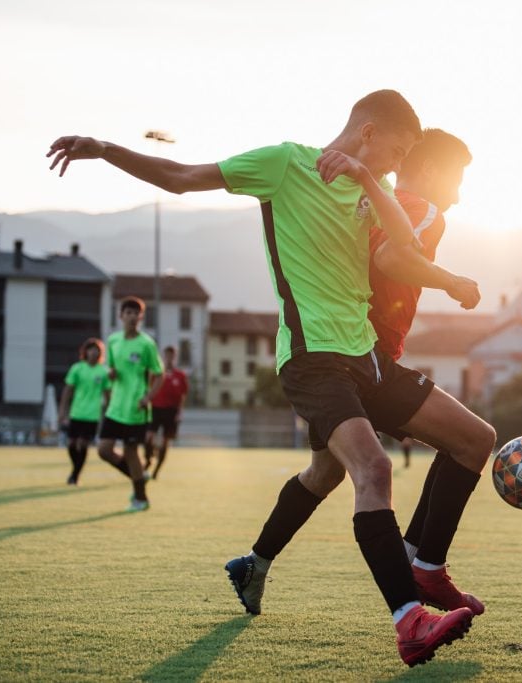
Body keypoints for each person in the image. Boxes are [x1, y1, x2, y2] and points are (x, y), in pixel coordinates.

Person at [48, 91, 475, 667]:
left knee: (462, 440)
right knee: (370, 470)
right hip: (312, 359)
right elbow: (180, 176)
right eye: (396, 152)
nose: (399, 166)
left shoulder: (368, 190)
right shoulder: (284, 164)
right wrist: (104, 150)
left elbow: (401, 244)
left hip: (367, 357)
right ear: (369, 132)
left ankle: (268, 564)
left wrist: (371, 183)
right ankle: (409, 622)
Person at [224, 128, 496, 631]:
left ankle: (254, 564)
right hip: (358, 361)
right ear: (433, 171)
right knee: (470, 441)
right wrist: (454, 280)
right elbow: (390, 258)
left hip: (341, 354)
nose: (457, 195)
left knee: (323, 474)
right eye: (457, 180)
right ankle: (424, 569)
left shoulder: (368, 199)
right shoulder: (423, 209)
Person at [98, 296, 163, 512]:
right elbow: (110, 369)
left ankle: (141, 498)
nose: (133, 316)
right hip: (116, 407)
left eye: (137, 313)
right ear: (121, 316)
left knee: (131, 451)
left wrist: (147, 398)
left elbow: (159, 374)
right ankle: (139, 477)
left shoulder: (146, 344)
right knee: (104, 450)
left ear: (141, 317)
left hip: (136, 409)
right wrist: (111, 373)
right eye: (128, 312)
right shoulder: (113, 341)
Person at [57, 337, 110, 485]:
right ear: (85, 351)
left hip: (92, 415)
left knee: (83, 443)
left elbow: (108, 396)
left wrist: (108, 414)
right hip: (76, 412)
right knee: (72, 444)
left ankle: (75, 475)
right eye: (91, 349)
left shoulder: (103, 372)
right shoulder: (77, 369)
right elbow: (67, 392)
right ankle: (75, 470)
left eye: (97, 350)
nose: (93, 353)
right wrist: (62, 411)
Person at [143, 345, 189, 480]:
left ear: (175, 357)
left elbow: (183, 395)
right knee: (148, 437)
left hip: (171, 411)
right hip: (155, 409)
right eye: (167, 355)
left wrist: (180, 411)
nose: (169, 358)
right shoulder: (156, 373)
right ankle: (148, 460)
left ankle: (157, 470)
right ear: (163, 356)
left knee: (165, 441)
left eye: (171, 355)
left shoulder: (180, 375)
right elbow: (148, 388)